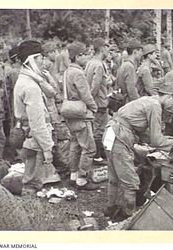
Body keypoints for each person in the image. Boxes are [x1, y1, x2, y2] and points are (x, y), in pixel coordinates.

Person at [103, 84, 173, 219]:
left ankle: (110, 208)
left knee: (114, 176)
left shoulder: (148, 100)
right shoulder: (155, 106)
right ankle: (128, 215)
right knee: (130, 181)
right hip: (119, 136)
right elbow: (155, 140)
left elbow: (144, 133)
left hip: (111, 132)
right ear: (169, 96)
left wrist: (165, 140)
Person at [14, 40, 60, 195]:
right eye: (40, 57)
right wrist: (47, 148)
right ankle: (29, 212)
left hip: (31, 136)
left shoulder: (28, 80)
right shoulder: (31, 86)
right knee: (32, 182)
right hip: (34, 139)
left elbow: (53, 93)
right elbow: (37, 123)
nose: (43, 62)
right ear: (32, 60)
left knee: (32, 177)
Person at [64, 42, 99, 190]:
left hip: (70, 112)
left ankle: (73, 175)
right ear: (78, 56)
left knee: (75, 145)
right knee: (89, 148)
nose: (87, 57)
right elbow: (86, 94)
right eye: (85, 54)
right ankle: (82, 179)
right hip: (80, 112)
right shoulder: (78, 73)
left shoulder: (67, 71)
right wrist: (93, 107)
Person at [85, 38, 110, 164]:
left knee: (96, 128)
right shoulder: (99, 65)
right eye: (107, 47)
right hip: (99, 102)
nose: (108, 50)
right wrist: (92, 101)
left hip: (94, 101)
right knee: (101, 129)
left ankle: (97, 154)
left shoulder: (90, 63)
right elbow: (95, 86)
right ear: (102, 48)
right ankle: (98, 156)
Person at [116, 39, 143, 103]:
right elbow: (131, 91)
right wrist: (139, 103)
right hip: (128, 102)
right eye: (140, 51)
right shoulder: (129, 67)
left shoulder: (125, 64)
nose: (141, 54)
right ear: (135, 51)